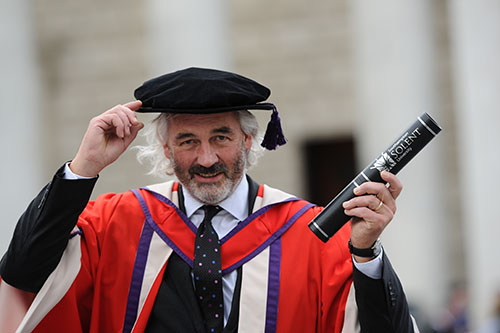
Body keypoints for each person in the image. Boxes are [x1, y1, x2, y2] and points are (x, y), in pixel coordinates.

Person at [0, 67, 418, 332]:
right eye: (187, 141)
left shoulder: (308, 232)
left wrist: (365, 253)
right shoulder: (117, 223)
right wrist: (83, 167)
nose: (206, 158)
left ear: (248, 140)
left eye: (221, 137)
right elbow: (21, 271)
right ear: (165, 149)